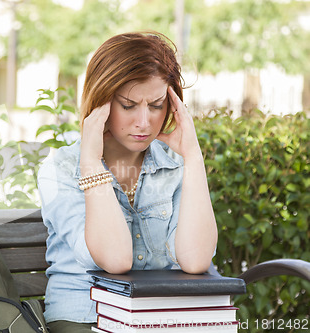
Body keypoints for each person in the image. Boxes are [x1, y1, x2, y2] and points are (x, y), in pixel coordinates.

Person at [37, 31, 218, 333]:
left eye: (157, 105)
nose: (144, 121)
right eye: (128, 104)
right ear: (101, 102)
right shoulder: (61, 168)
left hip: (159, 318)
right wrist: (92, 162)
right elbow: (115, 259)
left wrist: (193, 157)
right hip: (86, 317)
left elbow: (196, 260)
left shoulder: (174, 164)